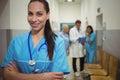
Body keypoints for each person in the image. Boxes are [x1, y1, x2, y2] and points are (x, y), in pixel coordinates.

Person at [1, 0, 70, 80]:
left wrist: (18, 75)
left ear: (47, 15)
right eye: (30, 14)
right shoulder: (16, 41)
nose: (33, 19)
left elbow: (56, 78)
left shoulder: (58, 42)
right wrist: (42, 77)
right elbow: (5, 74)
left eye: (39, 14)